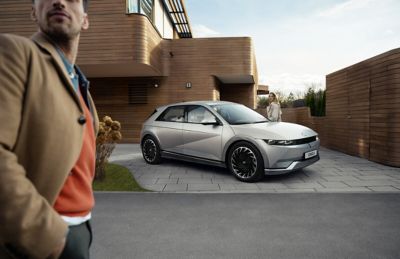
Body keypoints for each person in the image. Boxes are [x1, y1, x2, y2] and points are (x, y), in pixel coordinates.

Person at [0, 0, 98, 258]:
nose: (59, 1)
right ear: (34, 12)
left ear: (85, 19)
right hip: (41, 239)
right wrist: (47, 236)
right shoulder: (15, 52)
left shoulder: (80, 85)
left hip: (82, 229)